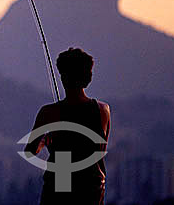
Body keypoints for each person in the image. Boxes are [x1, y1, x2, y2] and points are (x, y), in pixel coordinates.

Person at [25, 47, 110, 205]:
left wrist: (45, 140)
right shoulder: (103, 110)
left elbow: (30, 151)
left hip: (61, 183)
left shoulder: (49, 112)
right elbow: (100, 150)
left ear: (64, 77)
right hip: (93, 187)